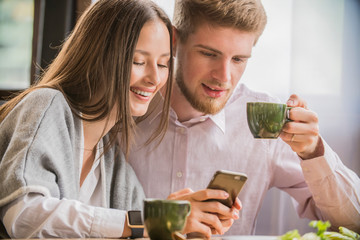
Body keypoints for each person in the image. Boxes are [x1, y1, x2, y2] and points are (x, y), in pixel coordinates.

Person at [0, 0, 234, 238]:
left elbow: (135, 226)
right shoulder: (47, 105)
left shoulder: (112, 158)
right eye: (138, 62)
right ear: (98, 56)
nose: (155, 78)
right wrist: (150, 219)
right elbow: (24, 217)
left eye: (163, 64)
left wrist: (170, 222)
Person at [127, 0, 360, 237]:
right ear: (174, 41)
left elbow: (354, 222)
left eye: (238, 59)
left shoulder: (267, 124)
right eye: (209, 54)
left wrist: (313, 153)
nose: (224, 77)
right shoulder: (126, 107)